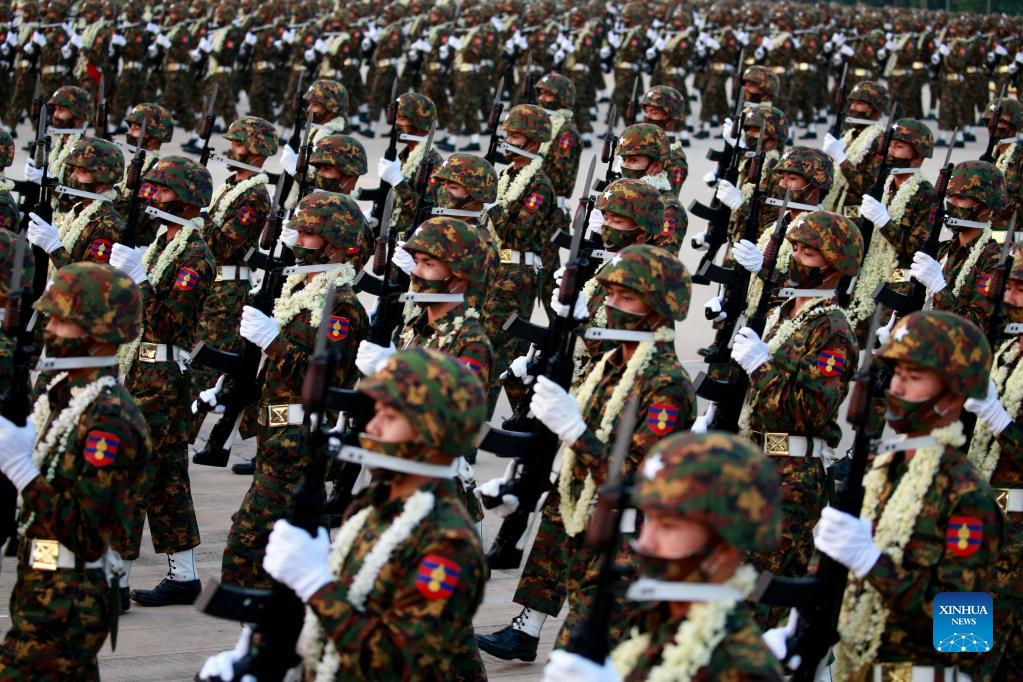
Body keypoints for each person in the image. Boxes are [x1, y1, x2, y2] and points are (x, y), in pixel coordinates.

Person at [213, 348, 489, 680]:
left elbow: (397, 663)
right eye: (377, 412)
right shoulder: (374, 506)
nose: (372, 426)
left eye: (390, 417)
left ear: (433, 433)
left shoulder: (448, 544)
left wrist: (315, 585)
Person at [477, 244, 696, 661]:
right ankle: (527, 626)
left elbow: (634, 477)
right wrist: (529, 488)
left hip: (625, 546)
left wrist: (575, 431)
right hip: (585, 520)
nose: (611, 306)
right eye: (609, 294)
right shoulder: (612, 365)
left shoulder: (665, 385)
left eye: (626, 297)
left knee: (587, 658)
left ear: (658, 309)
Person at [775, 311, 1002, 681]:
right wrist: (796, 632)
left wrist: (872, 564)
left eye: (914, 377)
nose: (897, 387)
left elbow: (965, 635)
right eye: (897, 374)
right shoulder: (880, 470)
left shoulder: (966, 494)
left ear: (954, 393)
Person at [209, 191, 368, 589]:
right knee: (293, 540)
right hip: (274, 434)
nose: (298, 240)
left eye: (308, 234)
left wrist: (272, 341)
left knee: (247, 545)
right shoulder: (298, 290)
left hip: (299, 440)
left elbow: (327, 380)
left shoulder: (342, 307)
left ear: (333, 243)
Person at [0, 262, 150, 677]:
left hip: (69, 599)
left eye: (61, 321)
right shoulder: (68, 395)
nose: (48, 329)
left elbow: (86, 535)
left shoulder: (109, 419)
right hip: (44, 584)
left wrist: (21, 470)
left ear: (97, 333)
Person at [543, 431, 784, 682]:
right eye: (649, 520)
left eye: (668, 526)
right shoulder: (656, 621)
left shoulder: (743, 668)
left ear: (724, 550)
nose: (646, 542)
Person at [725, 210, 862, 624]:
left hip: (791, 475)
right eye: (796, 249)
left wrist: (760, 367)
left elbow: (810, 411)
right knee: (767, 603)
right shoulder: (785, 312)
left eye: (809, 253)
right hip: (756, 462)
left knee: (746, 598)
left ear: (835, 265)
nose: (797, 259)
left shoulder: (832, 330)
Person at [109, 156, 215, 606]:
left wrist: (139, 279)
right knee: (168, 477)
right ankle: (184, 576)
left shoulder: (195, 256)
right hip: (143, 370)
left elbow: (170, 324)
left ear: (188, 202)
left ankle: (115, 581)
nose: (153, 197)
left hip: (163, 377)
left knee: (130, 471)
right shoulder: (162, 243)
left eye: (164, 190)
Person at [189, 116, 276, 432]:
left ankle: (184, 431)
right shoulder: (232, 186)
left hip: (227, 290)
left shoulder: (254, 196)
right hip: (212, 282)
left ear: (256, 151)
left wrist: (197, 212)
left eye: (238, 144)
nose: (230, 149)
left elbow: (223, 244)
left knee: (205, 366)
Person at [963, 259, 1023, 679]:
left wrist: (1001, 421)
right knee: (960, 640)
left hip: (1015, 535)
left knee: (993, 657)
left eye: (1021, 289)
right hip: (980, 516)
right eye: (1010, 287)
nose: (1010, 297)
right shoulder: (1010, 350)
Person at [481, 103, 553, 406]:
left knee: (493, 353)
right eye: (507, 134)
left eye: (515, 135)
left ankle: (476, 427)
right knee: (515, 353)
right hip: (497, 270)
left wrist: (491, 205)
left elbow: (518, 235)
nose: (507, 140)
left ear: (533, 142)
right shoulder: (507, 174)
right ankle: (524, 417)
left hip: (515, 275)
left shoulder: (539, 185)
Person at [847, 118, 936, 339]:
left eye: (899, 146)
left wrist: (884, 222)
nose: (890, 151)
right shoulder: (884, 185)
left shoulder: (925, 195)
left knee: (883, 346)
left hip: (899, 281)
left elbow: (918, 250)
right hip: (869, 275)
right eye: (890, 145)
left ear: (917, 156)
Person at [908, 160, 1006, 330]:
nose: (951, 204)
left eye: (960, 198)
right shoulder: (943, 249)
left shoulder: (993, 261)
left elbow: (976, 325)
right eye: (950, 196)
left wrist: (939, 289)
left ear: (983, 208)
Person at [26, 137, 125, 268]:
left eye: (82, 171)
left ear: (103, 177)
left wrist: (54, 248)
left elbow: (89, 278)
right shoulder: (81, 208)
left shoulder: (109, 225)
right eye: (74, 169)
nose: (73, 176)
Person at [820, 80, 889, 214]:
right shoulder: (850, 135)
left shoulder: (880, 141)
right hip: (834, 206)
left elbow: (867, 187)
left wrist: (841, 159)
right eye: (852, 103)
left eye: (859, 104)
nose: (852, 107)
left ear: (873, 109)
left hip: (856, 212)